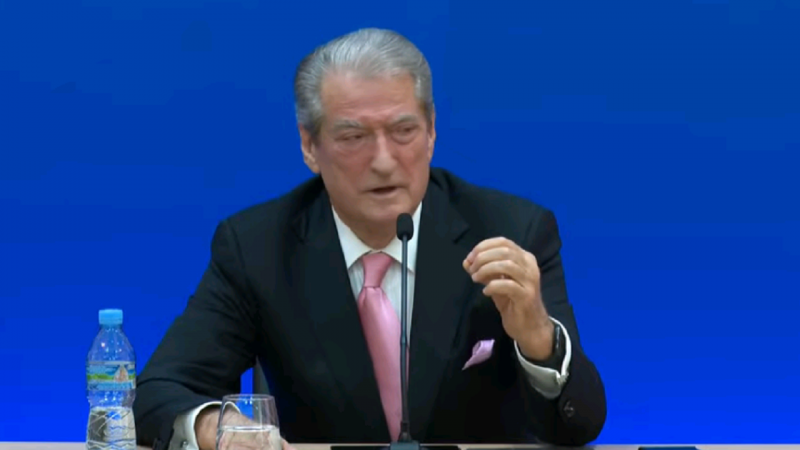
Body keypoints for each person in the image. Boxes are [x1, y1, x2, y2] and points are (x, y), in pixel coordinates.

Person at [133, 28, 607, 450]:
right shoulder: (258, 247)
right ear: (309, 146)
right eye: (354, 137)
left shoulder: (511, 230)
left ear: (432, 132)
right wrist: (216, 427)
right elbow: (158, 392)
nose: (383, 161)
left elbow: (580, 425)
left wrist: (539, 340)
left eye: (403, 131)